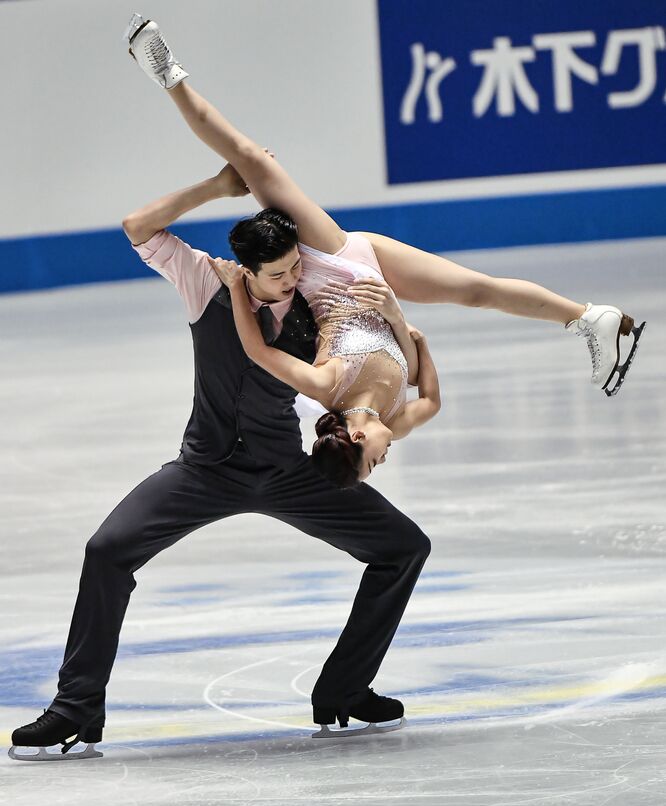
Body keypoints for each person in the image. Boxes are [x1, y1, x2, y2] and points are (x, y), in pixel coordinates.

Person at [8, 159, 432, 760]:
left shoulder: (316, 306)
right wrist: (215, 187)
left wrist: (393, 319)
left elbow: (394, 362)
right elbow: (137, 226)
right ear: (248, 271)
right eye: (279, 274)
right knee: (106, 551)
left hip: (288, 469)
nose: (292, 280)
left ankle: (344, 688)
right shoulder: (206, 282)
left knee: (403, 547)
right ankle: (75, 709)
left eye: (295, 269)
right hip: (203, 470)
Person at [123, 13, 645, 481]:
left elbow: (258, 352)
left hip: (329, 269)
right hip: (370, 282)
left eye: (372, 459)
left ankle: (167, 73)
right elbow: (423, 375)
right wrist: (395, 315)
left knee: (248, 157)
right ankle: (587, 317)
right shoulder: (396, 418)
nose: (384, 457)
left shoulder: (326, 387)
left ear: (353, 441)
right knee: (477, 291)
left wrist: (239, 284)